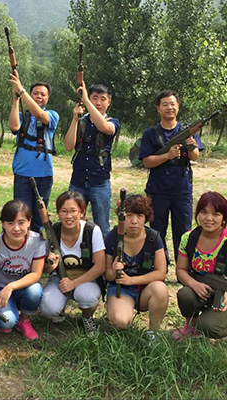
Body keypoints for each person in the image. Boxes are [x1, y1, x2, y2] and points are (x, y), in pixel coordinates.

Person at [139, 90, 204, 263]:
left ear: (178, 107)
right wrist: (167, 156)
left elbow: (195, 157)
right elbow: (146, 162)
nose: (170, 107)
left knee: (183, 233)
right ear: (158, 108)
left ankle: (183, 269)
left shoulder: (187, 131)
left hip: (182, 190)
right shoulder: (151, 133)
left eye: (173, 104)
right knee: (156, 232)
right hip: (157, 190)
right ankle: (160, 267)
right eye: (165, 104)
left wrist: (191, 146)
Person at [40, 191, 106, 337]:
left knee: (87, 297)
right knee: (48, 307)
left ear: (82, 212)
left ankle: (87, 316)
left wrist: (74, 283)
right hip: (60, 279)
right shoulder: (53, 232)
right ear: (58, 213)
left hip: (86, 278)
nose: (68, 216)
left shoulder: (91, 231)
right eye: (64, 211)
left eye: (73, 211)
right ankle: (59, 309)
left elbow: (100, 266)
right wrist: (50, 265)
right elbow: (44, 269)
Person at [104, 194, 168, 340]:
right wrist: (113, 270)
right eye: (129, 215)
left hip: (145, 289)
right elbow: (107, 274)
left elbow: (161, 272)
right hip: (121, 289)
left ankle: (153, 332)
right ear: (121, 217)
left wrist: (132, 280)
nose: (134, 221)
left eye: (139, 216)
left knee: (160, 289)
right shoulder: (112, 237)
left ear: (146, 218)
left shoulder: (153, 238)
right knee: (120, 321)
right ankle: (117, 309)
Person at [0, 200, 46, 341]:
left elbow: (36, 273)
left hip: (23, 287)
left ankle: (24, 319)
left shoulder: (37, 241)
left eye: (21, 222)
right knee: (7, 323)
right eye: (10, 223)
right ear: (3, 224)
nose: (16, 228)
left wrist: (11, 286)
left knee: (35, 290)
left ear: (29, 222)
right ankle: (9, 316)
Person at [64, 81, 120, 237]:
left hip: (100, 181)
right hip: (78, 180)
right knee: (72, 223)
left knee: (102, 226)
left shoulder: (112, 122)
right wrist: (75, 119)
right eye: (94, 98)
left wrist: (86, 102)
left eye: (103, 99)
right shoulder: (81, 121)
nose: (98, 102)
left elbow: (105, 128)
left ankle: (102, 252)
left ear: (109, 102)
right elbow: (68, 145)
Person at [8, 70, 59, 233]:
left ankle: (40, 247)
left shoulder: (52, 115)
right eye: (35, 93)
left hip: (43, 174)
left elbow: (39, 114)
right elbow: (13, 127)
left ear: (48, 98)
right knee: (21, 214)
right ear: (30, 95)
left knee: (40, 217)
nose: (39, 96)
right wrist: (16, 99)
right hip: (22, 174)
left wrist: (21, 90)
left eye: (43, 94)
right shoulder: (22, 116)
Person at [173, 191, 227, 340]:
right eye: (204, 212)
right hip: (205, 289)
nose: (209, 218)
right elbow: (181, 270)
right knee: (185, 294)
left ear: (223, 217)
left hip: (224, 292)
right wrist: (194, 284)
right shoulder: (189, 238)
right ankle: (191, 327)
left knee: (209, 326)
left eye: (216, 214)